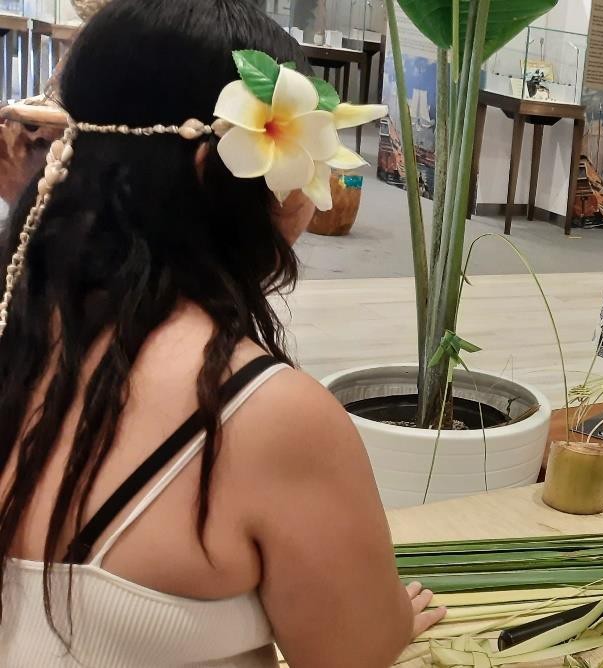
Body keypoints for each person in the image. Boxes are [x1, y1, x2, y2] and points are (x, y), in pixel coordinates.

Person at [0, 1, 444, 665]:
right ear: (219, 169)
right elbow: (354, 652)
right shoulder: (267, 417)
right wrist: (389, 622)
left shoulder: (19, 336)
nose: (308, 193)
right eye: (304, 160)